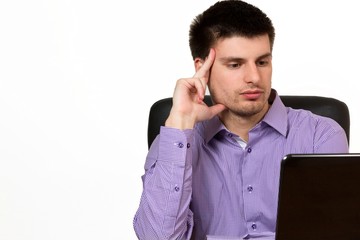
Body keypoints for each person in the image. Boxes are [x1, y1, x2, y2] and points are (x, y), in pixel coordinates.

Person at [133, 0, 349, 239]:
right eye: (235, 64)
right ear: (202, 66)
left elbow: (331, 233)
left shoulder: (321, 136)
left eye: (262, 62)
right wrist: (180, 122)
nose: (254, 77)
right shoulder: (173, 143)